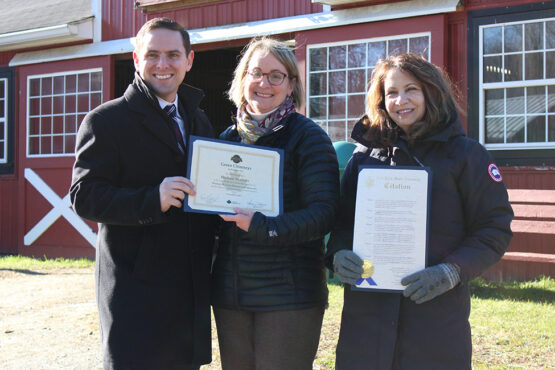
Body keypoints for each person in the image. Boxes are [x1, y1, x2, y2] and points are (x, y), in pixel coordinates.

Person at [326, 53, 513, 369]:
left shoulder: (467, 156)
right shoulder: (363, 157)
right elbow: (343, 223)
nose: (401, 100)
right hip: (367, 319)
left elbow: (494, 228)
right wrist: (338, 253)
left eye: (411, 89)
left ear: (431, 91)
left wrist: (451, 272)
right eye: (392, 92)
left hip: (435, 318)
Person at [70, 18, 216, 369]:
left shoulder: (200, 121)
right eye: (152, 54)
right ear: (136, 59)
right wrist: (153, 199)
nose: (162, 65)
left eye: (172, 55)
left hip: (188, 290)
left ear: (189, 60)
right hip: (136, 291)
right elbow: (84, 195)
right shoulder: (106, 121)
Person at [210, 38, 340, 370]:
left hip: (289, 294)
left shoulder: (308, 137)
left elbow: (323, 214)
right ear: (243, 79)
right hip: (231, 293)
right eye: (256, 73)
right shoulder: (224, 141)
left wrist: (264, 227)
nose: (264, 83)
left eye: (276, 76)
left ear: (291, 84)